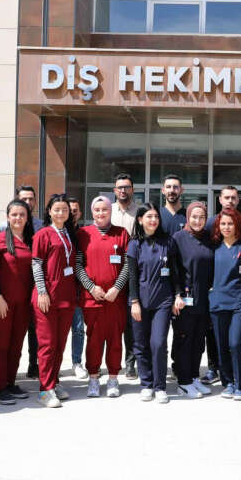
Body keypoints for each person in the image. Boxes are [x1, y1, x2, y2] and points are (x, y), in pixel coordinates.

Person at [75, 196, 131, 398]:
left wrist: (117, 287)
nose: (101, 213)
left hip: (116, 299)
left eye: (104, 209)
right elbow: (78, 265)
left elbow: (128, 264)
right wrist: (91, 287)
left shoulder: (122, 233)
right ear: (92, 212)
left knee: (115, 339)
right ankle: (93, 378)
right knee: (94, 340)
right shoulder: (83, 234)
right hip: (93, 298)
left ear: (111, 211)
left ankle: (113, 378)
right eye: (97, 210)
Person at [126, 203, 182, 403]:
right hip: (140, 301)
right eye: (149, 216)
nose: (153, 220)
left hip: (163, 301)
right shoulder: (134, 244)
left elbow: (175, 272)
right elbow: (132, 276)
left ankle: (160, 386)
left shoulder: (168, 242)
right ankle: (146, 384)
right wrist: (134, 301)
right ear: (140, 220)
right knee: (140, 344)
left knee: (158, 343)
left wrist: (178, 295)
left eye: (156, 216)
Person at [0, 200, 35, 404]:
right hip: (3, 303)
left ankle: (11, 383)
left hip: (24, 303)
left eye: (22, 214)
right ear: (7, 217)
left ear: (27, 217)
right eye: (14, 214)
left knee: (16, 344)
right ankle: (1, 387)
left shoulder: (31, 240)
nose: (18, 218)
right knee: (2, 345)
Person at [31, 194, 79, 408]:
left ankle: (54, 382)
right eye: (57, 209)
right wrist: (42, 292)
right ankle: (44, 389)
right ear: (49, 211)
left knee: (59, 344)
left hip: (66, 296)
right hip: (47, 297)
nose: (61, 213)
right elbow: (36, 264)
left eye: (64, 209)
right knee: (47, 344)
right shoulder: (43, 234)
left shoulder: (69, 234)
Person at [172, 202, 216, 398]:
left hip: (204, 300)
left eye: (201, 217)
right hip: (184, 300)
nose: (198, 221)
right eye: (194, 217)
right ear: (188, 217)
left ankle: (194, 376)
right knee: (185, 340)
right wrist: (176, 294)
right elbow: (173, 269)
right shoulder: (178, 238)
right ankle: (183, 382)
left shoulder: (209, 238)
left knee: (199, 341)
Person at [209, 209, 241, 400]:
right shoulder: (214, 248)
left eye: (230, 224)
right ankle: (227, 383)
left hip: (239, 302)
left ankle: (239, 384)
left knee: (236, 343)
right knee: (221, 345)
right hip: (217, 302)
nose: (226, 227)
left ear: (237, 226)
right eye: (223, 224)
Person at [109, 173, 138, 379]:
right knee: (112, 322)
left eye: (126, 187)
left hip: (134, 269)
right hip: (111, 271)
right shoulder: (107, 210)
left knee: (130, 323)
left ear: (132, 190)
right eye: (119, 187)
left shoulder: (139, 212)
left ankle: (130, 363)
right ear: (114, 190)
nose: (123, 190)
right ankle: (111, 362)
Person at [16, 185, 41, 376]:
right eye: (24, 198)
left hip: (35, 282)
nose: (28, 202)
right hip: (15, 282)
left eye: (31, 199)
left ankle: (34, 364)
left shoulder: (41, 225)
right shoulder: (5, 226)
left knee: (35, 327)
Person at [65, 196, 87, 380]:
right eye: (69, 210)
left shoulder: (83, 234)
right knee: (57, 330)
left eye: (75, 211)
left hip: (78, 288)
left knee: (78, 328)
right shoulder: (57, 232)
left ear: (79, 213)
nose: (72, 214)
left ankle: (76, 362)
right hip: (60, 289)